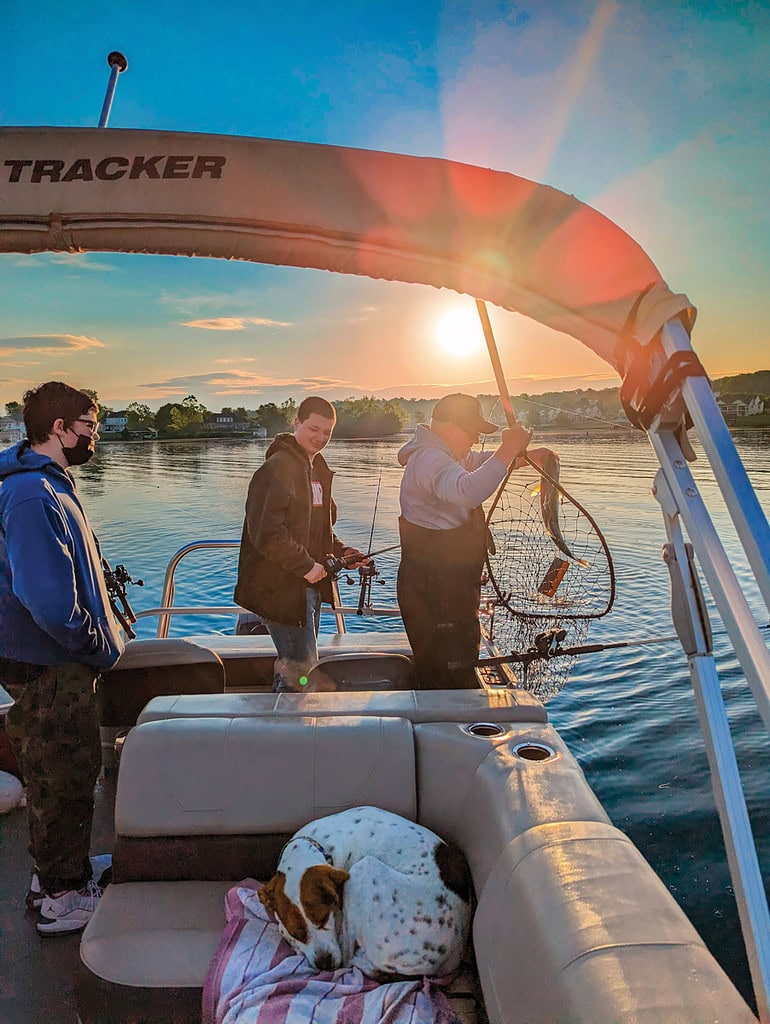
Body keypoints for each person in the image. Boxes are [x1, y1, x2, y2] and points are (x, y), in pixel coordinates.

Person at [0, 381, 125, 933]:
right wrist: (93, 642)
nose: (93, 437)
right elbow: (48, 599)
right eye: (89, 427)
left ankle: (59, 872)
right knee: (64, 774)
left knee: (68, 770)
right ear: (60, 428)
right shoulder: (31, 494)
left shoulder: (44, 485)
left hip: (53, 659)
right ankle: (61, 899)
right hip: (50, 663)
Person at [397, 393, 535, 689]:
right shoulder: (430, 458)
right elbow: (466, 490)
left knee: (459, 659)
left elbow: (480, 465)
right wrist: (508, 449)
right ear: (447, 427)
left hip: (451, 584)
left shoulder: (449, 453)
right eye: (471, 431)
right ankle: (442, 723)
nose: (474, 438)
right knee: (446, 671)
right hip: (433, 587)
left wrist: (521, 458)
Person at [234, 396, 366, 692]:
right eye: (313, 429)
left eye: (327, 433)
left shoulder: (314, 468)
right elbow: (267, 533)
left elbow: (318, 530)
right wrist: (307, 566)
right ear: (297, 423)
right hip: (281, 590)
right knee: (301, 670)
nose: (320, 438)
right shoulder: (277, 468)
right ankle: (294, 729)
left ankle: (284, 724)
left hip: (307, 588)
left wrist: (343, 552)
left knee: (297, 664)